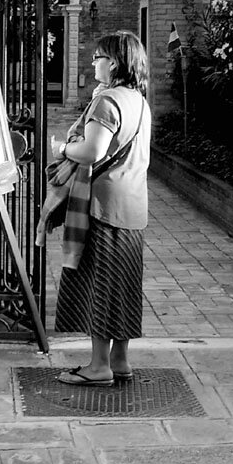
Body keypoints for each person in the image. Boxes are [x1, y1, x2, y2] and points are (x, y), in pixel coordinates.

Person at [49, 31, 151, 386]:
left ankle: (98, 367)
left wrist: (62, 149)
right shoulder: (138, 100)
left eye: (98, 56)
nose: (93, 62)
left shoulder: (108, 101)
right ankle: (120, 361)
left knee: (101, 285)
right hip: (133, 206)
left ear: (115, 62)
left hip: (103, 206)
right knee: (123, 285)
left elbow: (92, 152)